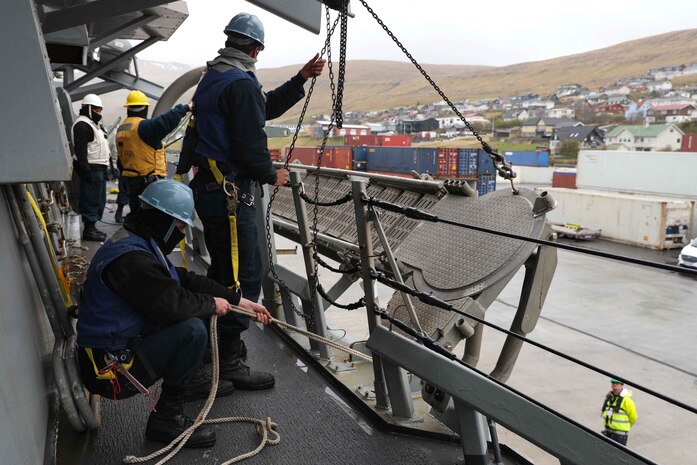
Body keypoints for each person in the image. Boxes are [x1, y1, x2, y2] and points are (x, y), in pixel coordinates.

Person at [76, 179, 272, 448]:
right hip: (111, 372)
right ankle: (165, 420)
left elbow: (181, 278)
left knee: (196, 310)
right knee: (192, 329)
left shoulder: (138, 241)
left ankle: (186, 382)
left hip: (112, 351)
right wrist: (212, 304)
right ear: (162, 220)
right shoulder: (133, 261)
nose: (181, 233)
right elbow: (173, 306)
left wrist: (239, 300)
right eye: (179, 227)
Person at [188, 12, 325, 389]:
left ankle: (211, 351)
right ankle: (225, 361)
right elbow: (251, 144)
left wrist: (299, 80)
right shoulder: (239, 82)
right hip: (231, 196)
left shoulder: (215, 76)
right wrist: (272, 174)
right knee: (244, 276)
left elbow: (259, 109)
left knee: (221, 273)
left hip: (212, 191)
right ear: (255, 48)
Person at [115, 90, 191, 218]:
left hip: (131, 181)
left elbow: (121, 160)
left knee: (137, 215)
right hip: (148, 183)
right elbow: (166, 120)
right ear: (144, 108)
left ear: (128, 108)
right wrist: (186, 108)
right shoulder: (143, 127)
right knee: (151, 218)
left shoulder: (122, 129)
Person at [72, 93, 110, 242]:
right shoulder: (82, 125)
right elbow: (80, 151)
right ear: (88, 108)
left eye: (100, 110)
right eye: (96, 109)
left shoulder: (95, 125)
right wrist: (85, 171)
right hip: (91, 169)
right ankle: (89, 229)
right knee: (90, 199)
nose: (98, 113)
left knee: (98, 199)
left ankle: (93, 227)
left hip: (99, 169)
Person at [601, 378, 638, 446]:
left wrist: (625, 426)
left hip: (619, 435)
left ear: (622, 385)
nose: (614, 385)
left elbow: (633, 417)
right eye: (613, 383)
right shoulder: (610, 397)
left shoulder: (627, 400)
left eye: (617, 384)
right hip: (608, 431)